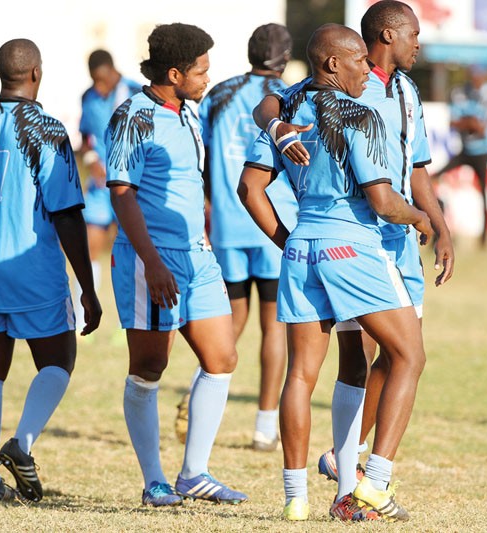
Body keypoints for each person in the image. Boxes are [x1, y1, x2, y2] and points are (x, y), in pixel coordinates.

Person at [253, 0, 454, 520]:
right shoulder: (341, 101)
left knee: (348, 364)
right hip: (361, 241)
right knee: (385, 357)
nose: (418, 43)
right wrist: (421, 219)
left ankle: (307, 492)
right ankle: (363, 482)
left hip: (338, 245)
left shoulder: (403, 92)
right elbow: (267, 107)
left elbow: (417, 168)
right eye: (412, 34)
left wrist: (440, 227)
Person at [0, 38, 102, 504]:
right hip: (35, 273)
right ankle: (22, 444)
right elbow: (67, 215)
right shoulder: (48, 130)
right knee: (58, 361)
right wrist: (87, 288)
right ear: (35, 74)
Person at [105, 22, 247, 508]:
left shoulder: (189, 111)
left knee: (222, 358)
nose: (208, 78)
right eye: (201, 70)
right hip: (151, 260)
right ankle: (154, 482)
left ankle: (194, 474)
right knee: (150, 366)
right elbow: (122, 193)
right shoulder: (133, 116)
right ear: (174, 73)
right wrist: (151, 262)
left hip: (197, 256)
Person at [173, 24, 298, 452]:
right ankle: (265, 427)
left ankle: (196, 389)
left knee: (231, 317)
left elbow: (202, 155)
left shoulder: (219, 93)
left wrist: (213, 201)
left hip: (229, 219)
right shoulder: (290, 95)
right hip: (275, 221)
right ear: (285, 58)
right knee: (274, 326)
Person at [75, 50, 142, 330]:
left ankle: (133, 319)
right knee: (89, 246)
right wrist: (92, 160)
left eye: (101, 80)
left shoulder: (136, 93)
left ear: (112, 71)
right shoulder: (88, 96)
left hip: (131, 188)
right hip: (100, 187)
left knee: (134, 251)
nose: (98, 86)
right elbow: (85, 136)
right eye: (94, 81)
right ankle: (82, 316)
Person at [433, 64, 487, 247]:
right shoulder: (460, 92)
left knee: (484, 193)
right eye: (474, 75)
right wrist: (471, 123)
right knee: (433, 180)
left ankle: (484, 239)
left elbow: (481, 127)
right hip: (465, 150)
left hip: (482, 151)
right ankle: (438, 232)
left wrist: (467, 123)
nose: (477, 79)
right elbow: (453, 123)